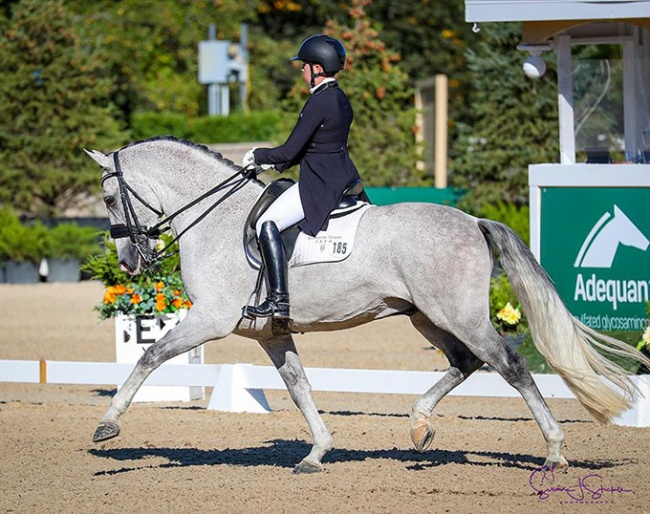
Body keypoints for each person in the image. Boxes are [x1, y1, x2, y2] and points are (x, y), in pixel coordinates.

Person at [242, 33, 368, 322]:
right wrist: (269, 166)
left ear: (317, 69)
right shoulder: (339, 97)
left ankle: (277, 301)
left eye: (304, 66)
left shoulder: (319, 101)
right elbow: (313, 147)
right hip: (342, 175)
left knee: (266, 223)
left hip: (320, 183)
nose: (302, 71)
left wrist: (258, 155)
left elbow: (290, 148)